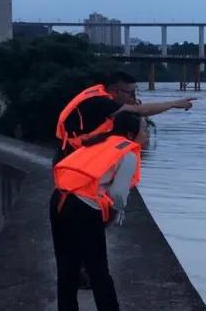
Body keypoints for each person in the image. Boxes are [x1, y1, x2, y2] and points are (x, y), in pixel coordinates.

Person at [50, 111, 147, 311]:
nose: (147, 134)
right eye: (145, 130)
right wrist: (118, 210)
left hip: (59, 199)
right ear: (130, 134)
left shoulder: (98, 142)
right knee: (98, 269)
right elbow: (118, 193)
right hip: (84, 209)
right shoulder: (126, 153)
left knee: (67, 267)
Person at [54, 71, 193, 165]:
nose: (133, 97)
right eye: (131, 93)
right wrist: (174, 104)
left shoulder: (99, 94)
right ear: (115, 91)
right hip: (70, 155)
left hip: (72, 151)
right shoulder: (101, 102)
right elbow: (140, 111)